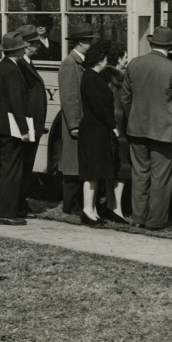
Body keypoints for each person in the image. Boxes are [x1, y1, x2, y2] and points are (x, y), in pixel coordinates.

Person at [122, 25, 172, 230]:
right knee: (161, 177)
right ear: (169, 47)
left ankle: (138, 218)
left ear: (152, 44)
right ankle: (156, 221)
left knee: (140, 173)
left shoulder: (134, 64)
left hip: (136, 128)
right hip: (164, 131)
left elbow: (125, 99)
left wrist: (133, 118)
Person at [0, 31, 32, 226]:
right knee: (11, 170)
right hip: (11, 126)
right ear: (18, 50)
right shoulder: (13, 71)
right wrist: (24, 129)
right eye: (23, 47)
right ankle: (6, 213)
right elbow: (16, 103)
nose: (25, 49)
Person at [78, 43, 124, 226]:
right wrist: (113, 125)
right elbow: (99, 107)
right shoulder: (92, 78)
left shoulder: (91, 76)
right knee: (92, 171)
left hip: (95, 128)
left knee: (95, 172)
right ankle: (87, 210)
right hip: (94, 129)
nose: (107, 61)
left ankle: (92, 210)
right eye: (105, 58)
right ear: (99, 60)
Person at [58, 22, 94, 214]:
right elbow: (69, 97)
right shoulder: (69, 64)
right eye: (89, 41)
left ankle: (76, 203)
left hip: (81, 120)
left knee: (78, 163)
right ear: (81, 42)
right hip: (75, 122)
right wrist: (73, 124)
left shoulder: (79, 62)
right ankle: (70, 205)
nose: (90, 45)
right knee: (72, 165)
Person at [15, 24, 47, 219]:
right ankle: (19, 203)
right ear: (27, 46)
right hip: (28, 124)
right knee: (23, 165)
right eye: (35, 43)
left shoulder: (26, 63)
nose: (38, 47)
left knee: (26, 165)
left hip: (32, 123)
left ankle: (21, 201)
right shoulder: (20, 65)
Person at [100, 41, 130, 219]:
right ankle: (116, 208)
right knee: (121, 167)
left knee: (110, 167)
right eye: (125, 57)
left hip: (107, 122)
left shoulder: (102, 76)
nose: (126, 61)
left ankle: (110, 204)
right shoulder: (121, 79)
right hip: (120, 123)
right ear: (118, 59)